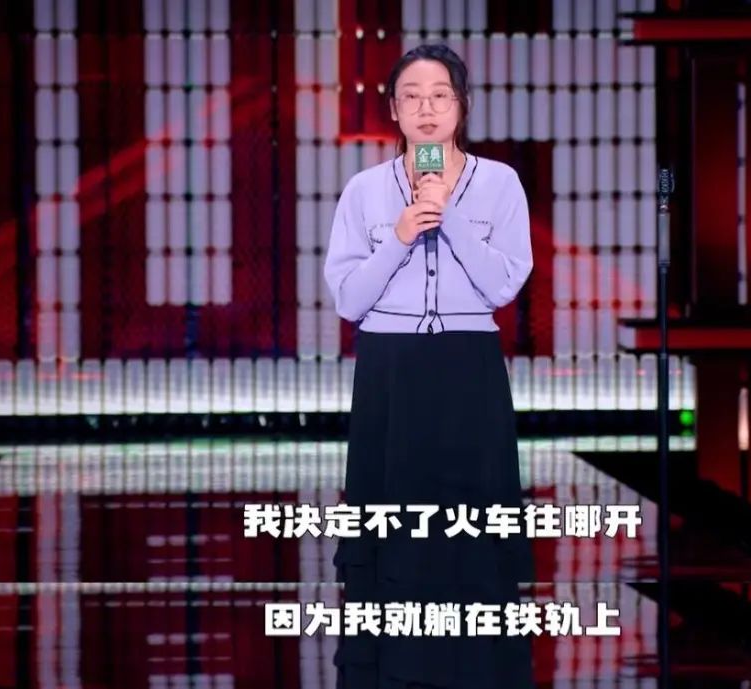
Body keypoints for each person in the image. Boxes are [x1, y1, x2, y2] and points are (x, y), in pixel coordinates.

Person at [323, 44, 535, 689]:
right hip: (391, 368)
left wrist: (451, 218)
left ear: (461, 106)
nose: (426, 108)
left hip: (468, 367)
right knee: (395, 516)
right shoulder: (364, 191)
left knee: (469, 519)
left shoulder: (500, 184)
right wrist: (400, 237)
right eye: (411, 96)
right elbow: (350, 300)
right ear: (392, 109)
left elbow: (503, 285)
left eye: (440, 95)